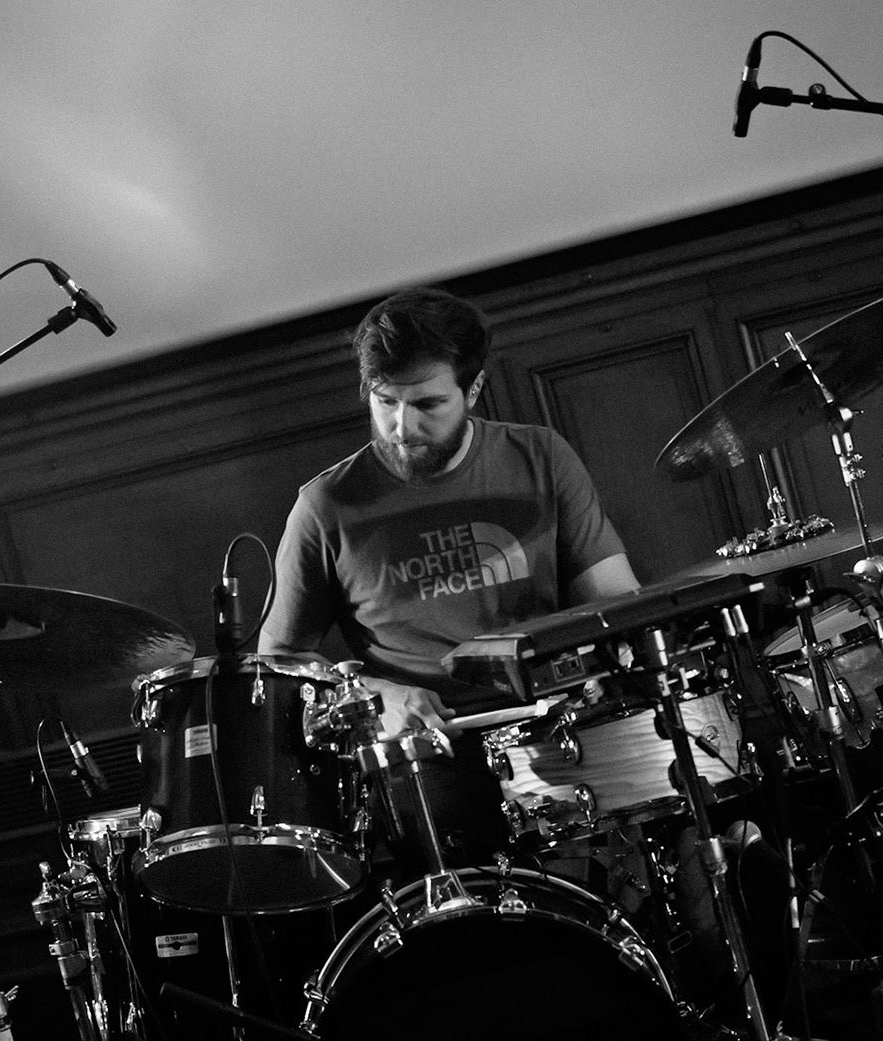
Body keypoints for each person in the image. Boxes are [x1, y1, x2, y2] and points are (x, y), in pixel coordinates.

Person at [258, 286, 638, 735]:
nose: (402, 427)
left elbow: (614, 601)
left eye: (427, 404)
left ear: (473, 389)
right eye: (385, 401)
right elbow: (279, 663)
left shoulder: (541, 457)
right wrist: (378, 698)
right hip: (426, 749)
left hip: (557, 721)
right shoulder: (324, 505)